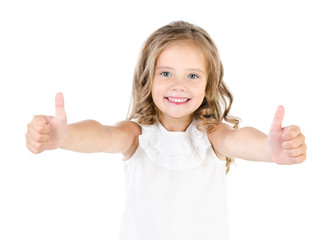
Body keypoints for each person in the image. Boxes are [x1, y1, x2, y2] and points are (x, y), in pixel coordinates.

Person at [25, 21, 307, 240]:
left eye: (192, 75)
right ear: (148, 78)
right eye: (166, 73)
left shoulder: (211, 134)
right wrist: (65, 137)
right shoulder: (137, 134)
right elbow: (103, 135)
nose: (178, 85)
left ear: (208, 85)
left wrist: (271, 149)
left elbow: (239, 140)